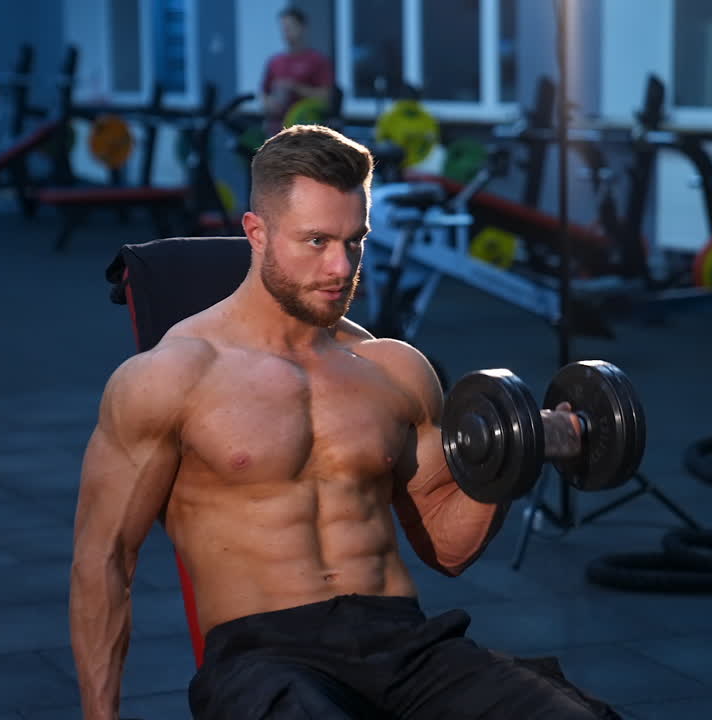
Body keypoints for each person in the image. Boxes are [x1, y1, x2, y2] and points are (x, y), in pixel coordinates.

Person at [69, 125, 621, 719]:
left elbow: (448, 547)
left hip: (406, 648)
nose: (340, 267)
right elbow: (104, 561)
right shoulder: (172, 375)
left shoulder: (393, 368)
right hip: (265, 659)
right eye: (316, 241)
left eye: (354, 241)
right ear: (256, 232)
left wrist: (520, 447)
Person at [260, 7, 334, 136]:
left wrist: (294, 87)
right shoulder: (274, 62)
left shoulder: (317, 61)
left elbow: (325, 98)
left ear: (302, 28)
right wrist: (271, 105)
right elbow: (264, 95)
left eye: (290, 27)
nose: (286, 32)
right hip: (276, 132)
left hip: (307, 131)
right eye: (283, 28)